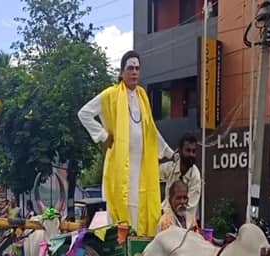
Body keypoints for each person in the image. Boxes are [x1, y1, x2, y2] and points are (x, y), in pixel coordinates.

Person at [78, 50, 174, 236]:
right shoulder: (111, 95)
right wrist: (103, 135)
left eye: (137, 68)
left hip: (142, 170)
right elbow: (84, 113)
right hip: (120, 169)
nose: (134, 72)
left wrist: (169, 153)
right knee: (123, 213)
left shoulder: (143, 97)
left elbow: (151, 131)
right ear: (122, 72)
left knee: (143, 210)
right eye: (130, 68)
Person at [161, 133, 201, 221]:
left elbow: (187, 211)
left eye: (194, 151)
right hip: (163, 217)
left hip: (183, 224)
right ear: (180, 151)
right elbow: (153, 173)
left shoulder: (195, 176)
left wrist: (164, 214)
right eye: (188, 150)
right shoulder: (172, 166)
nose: (191, 154)